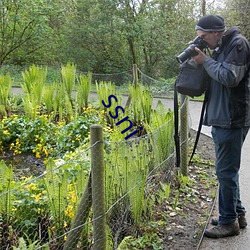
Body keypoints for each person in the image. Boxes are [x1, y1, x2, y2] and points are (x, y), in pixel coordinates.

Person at [192, 15, 250, 238]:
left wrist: (205, 61)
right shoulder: (221, 46)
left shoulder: (238, 44)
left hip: (232, 118)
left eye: (204, 37)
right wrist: (202, 60)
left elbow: (229, 77)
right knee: (227, 171)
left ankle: (228, 223)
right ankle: (237, 214)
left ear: (216, 32)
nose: (203, 41)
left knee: (225, 171)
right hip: (222, 117)